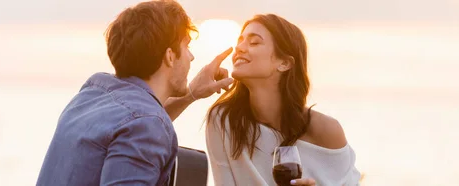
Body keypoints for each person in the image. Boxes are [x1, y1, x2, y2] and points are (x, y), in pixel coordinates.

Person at [36, 0, 234, 185]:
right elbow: (142, 124)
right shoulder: (145, 124)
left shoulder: (91, 94)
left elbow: (134, 121)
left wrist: (191, 93)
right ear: (170, 56)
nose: (191, 57)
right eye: (187, 46)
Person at [205, 14, 361, 186]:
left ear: (284, 63)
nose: (239, 48)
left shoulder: (326, 131)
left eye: (254, 42)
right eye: (240, 41)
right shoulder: (223, 119)